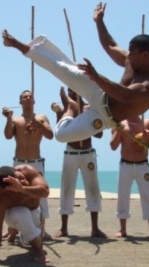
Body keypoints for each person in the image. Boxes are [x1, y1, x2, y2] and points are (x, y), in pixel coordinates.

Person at [1, 4, 149, 143]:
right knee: (62, 68)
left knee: (61, 135)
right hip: (100, 93)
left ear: (145, 56)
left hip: (105, 117)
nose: (129, 55)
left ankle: (71, 109)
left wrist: (97, 77)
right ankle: (17, 44)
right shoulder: (132, 59)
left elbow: (126, 96)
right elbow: (110, 45)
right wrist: (99, 21)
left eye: (133, 53)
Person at [52, 87, 107, 238]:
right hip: (71, 153)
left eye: (75, 89)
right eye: (70, 91)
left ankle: (95, 228)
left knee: (93, 189)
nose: (72, 93)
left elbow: (100, 134)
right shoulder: (66, 110)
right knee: (67, 189)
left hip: (88, 153)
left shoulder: (89, 109)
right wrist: (58, 113)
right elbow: (60, 131)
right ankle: (64, 228)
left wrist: (91, 119)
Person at [2, 90, 53, 241]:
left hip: (36, 162)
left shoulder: (41, 118)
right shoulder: (16, 120)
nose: (28, 98)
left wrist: (40, 125)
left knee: (40, 196)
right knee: (15, 195)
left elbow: (50, 135)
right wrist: (9, 118)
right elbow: (8, 135)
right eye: (25, 97)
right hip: (19, 163)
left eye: (30, 97)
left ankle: (42, 229)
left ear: (34, 101)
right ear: (20, 102)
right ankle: (12, 230)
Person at [0, 165, 50, 264]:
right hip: (14, 214)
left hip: (34, 211)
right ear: (6, 189)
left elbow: (45, 192)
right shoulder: (0, 197)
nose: (22, 181)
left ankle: (14, 231)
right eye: (17, 182)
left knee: (27, 241)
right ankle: (38, 251)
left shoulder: (27, 170)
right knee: (20, 214)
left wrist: (22, 189)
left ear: (16, 170)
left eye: (20, 177)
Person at [110, 115, 149, 239]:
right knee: (123, 196)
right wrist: (118, 131)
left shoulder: (147, 122)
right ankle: (122, 229)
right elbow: (113, 146)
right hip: (125, 165)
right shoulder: (119, 123)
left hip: (142, 165)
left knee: (148, 195)